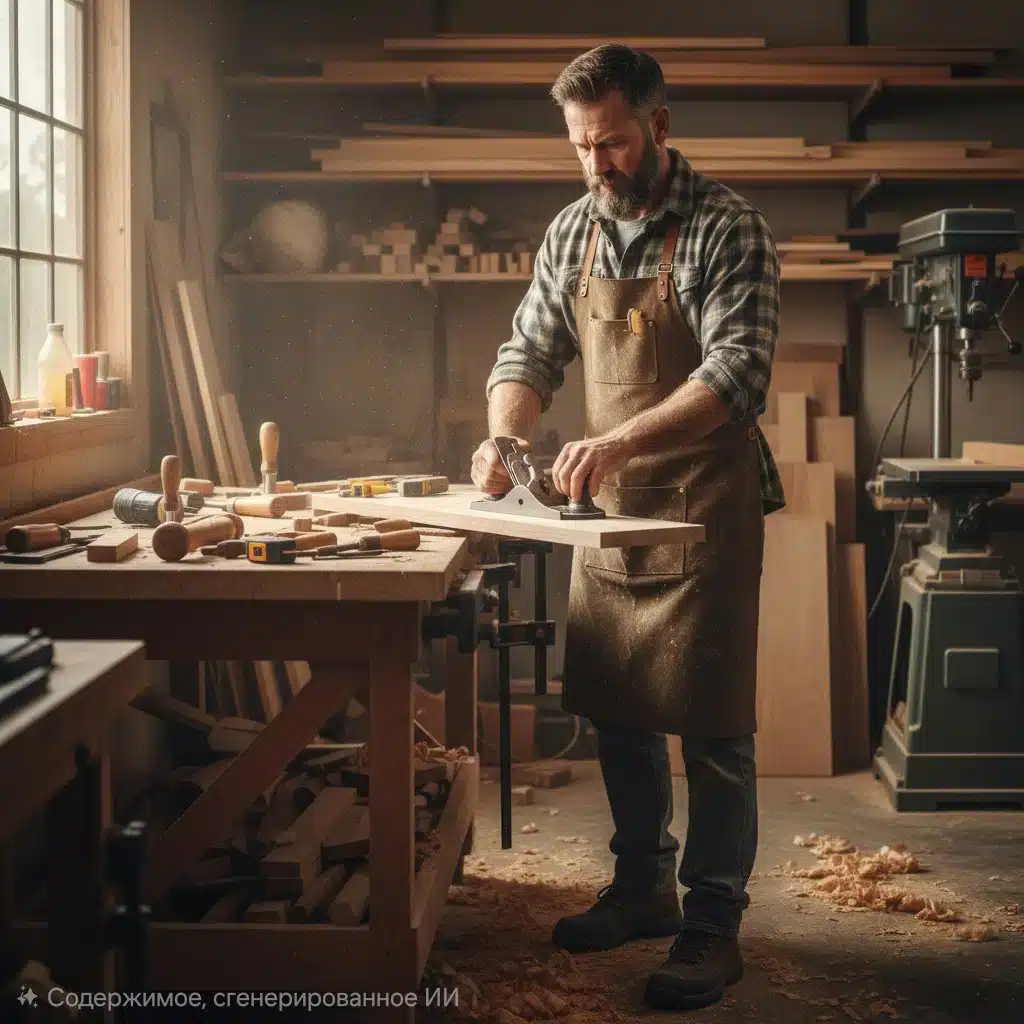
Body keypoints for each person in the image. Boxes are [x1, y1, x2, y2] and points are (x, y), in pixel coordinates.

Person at [471, 44, 786, 1011]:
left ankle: (712, 922)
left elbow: (737, 374)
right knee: (617, 709)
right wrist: (501, 437)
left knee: (716, 726)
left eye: (609, 143)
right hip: (608, 512)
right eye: (578, 147)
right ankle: (643, 884)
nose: (594, 165)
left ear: (657, 124)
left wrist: (617, 443)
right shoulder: (573, 231)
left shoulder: (727, 227)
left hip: (706, 507)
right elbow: (529, 347)